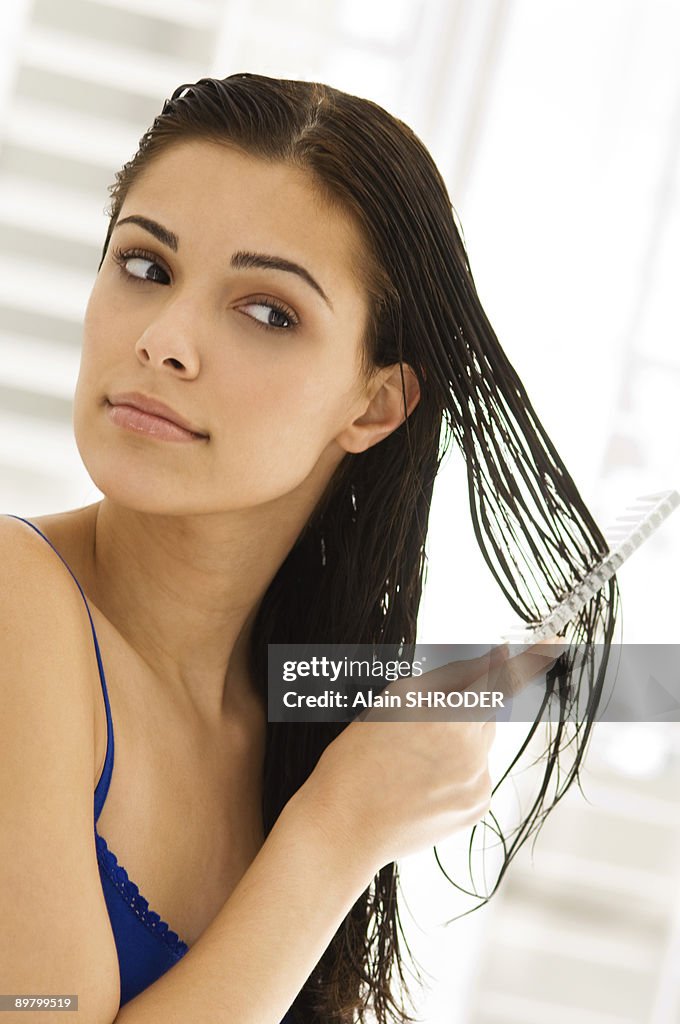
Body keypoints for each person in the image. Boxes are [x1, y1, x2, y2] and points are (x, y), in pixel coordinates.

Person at [0, 73, 618, 1024]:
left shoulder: (301, 719)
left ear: (374, 404)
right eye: (146, 267)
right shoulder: (16, 603)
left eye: (267, 312)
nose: (165, 340)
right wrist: (336, 835)